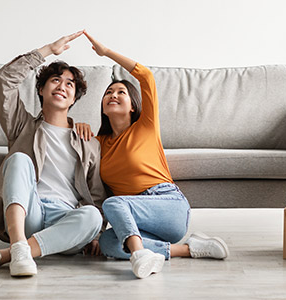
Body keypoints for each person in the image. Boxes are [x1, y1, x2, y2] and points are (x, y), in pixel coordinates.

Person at [76, 31, 229, 279]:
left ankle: (139, 255)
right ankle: (189, 249)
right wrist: (76, 126)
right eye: (108, 93)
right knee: (107, 243)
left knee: (114, 203)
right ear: (102, 106)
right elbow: (95, 189)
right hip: (137, 222)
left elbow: (145, 75)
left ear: (133, 105)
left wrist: (107, 53)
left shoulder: (146, 125)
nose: (112, 95)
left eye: (120, 92)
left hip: (168, 207)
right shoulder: (98, 144)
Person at [0, 30, 106, 277]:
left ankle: (5, 255)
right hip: (29, 214)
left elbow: (97, 195)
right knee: (17, 159)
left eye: (69, 84)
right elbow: (2, 81)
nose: (62, 86)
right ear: (41, 89)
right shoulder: (22, 126)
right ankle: (18, 244)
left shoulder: (88, 142)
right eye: (55, 80)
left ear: (73, 99)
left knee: (92, 216)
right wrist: (48, 50)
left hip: (67, 218)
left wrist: (96, 235)